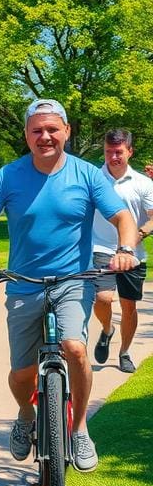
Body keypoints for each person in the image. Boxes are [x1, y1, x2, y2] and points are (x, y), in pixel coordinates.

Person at [0, 99, 138, 473]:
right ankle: (26, 415)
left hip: (72, 282)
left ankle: (79, 429)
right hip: (24, 284)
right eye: (36, 130)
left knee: (75, 349)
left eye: (52, 129)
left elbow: (122, 216)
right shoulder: (9, 175)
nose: (45, 137)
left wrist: (126, 248)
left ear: (66, 132)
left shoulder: (86, 175)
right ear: (27, 135)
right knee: (21, 373)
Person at [91, 129, 153, 374]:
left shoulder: (143, 183)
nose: (113, 157)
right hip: (101, 247)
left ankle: (124, 351)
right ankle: (107, 330)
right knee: (103, 298)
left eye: (118, 152)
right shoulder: (93, 179)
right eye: (108, 152)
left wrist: (136, 236)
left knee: (129, 307)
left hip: (133, 253)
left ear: (130, 151)